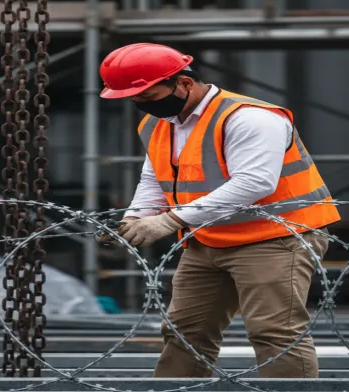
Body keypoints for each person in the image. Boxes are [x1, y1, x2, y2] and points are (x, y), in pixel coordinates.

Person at [97, 43, 340, 378]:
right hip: (207, 239)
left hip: (276, 236)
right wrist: (136, 217)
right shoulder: (159, 124)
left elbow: (255, 183)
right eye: (134, 98)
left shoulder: (249, 118)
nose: (141, 105)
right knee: (184, 333)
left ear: (183, 83)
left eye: (149, 95)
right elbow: (155, 178)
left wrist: (169, 220)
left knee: (274, 333)